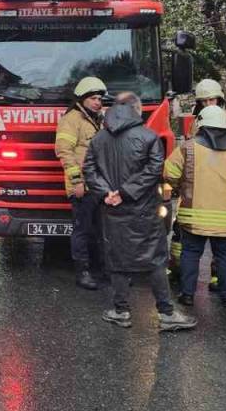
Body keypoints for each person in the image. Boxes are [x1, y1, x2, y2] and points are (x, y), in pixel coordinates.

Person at [84, 92, 196, 332]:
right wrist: (126, 192)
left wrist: (107, 193)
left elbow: (89, 169)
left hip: (112, 210)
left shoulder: (98, 139)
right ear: (136, 110)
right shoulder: (148, 136)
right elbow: (155, 169)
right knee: (154, 260)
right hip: (143, 209)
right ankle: (166, 313)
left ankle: (121, 311)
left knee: (117, 260)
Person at [165, 105, 226, 309]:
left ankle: (187, 295)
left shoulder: (188, 148)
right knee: (225, 256)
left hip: (193, 216)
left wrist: (181, 187)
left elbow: (169, 173)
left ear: (201, 124)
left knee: (191, 253)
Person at [55, 77, 107, 290]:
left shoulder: (97, 119)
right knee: (82, 230)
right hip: (83, 186)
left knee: (102, 230)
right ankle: (83, 273)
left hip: (99, 185)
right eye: (93, 98)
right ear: (82, 99)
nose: (98, 102)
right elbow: (64, 152)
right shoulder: (71, 120)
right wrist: (77, 181)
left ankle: (105, 271)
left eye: (100, 99)